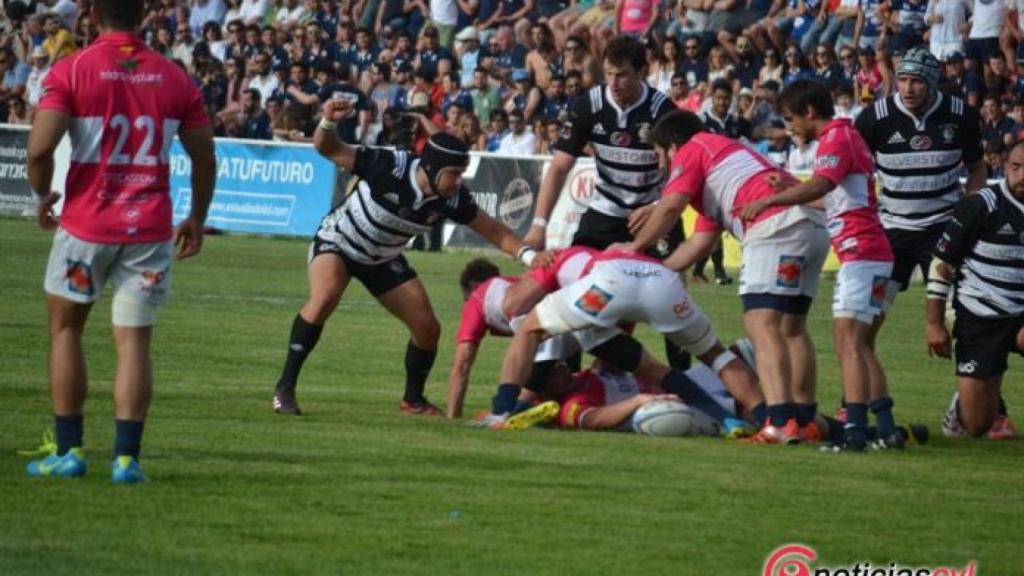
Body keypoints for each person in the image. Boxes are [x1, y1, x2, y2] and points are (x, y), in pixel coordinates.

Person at [23, 0, 216, 483]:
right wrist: (196, 217)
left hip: (87, 225)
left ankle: (70, 453)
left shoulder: (73, 69)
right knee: (134, 343)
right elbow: (204, 156)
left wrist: (43, 193)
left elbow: (40, 148)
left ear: (91, 15)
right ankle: (127, 459)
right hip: (149, 230)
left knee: (66, 331)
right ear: (143, 15)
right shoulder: (174, 77)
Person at [271, 99, 550, 416]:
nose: (459, 181)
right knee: (325, 297)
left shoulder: (452, 198)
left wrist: (529, 256)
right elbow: (328, 149)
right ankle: (285, 389)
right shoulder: (389, 165)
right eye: (454, 174)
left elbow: (494, 230)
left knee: (427, 328)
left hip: (381, 257)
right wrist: (328, 123)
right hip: (340, 242)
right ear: (432, 168)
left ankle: (413, 400)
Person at [624, 109, 831, 444]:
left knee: (761, 325)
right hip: (810, 228)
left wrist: (635, 248)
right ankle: (804, 418)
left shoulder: (694, 147)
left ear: (672, 147)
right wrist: (654, 272)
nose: (659, 161)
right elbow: (700, 242)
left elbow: (670, 207)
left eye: (659, 152)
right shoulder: (721, 164)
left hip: (774, 227)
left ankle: (778, 421)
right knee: (791, 328)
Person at [740, 79, 901, 451]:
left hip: (863, 252)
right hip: (869, 252)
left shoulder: (836, 138)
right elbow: (830, 201)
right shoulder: (843, 138)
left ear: (809, 112)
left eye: (791, 118)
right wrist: (789, 186)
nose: (789, 127)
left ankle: (857, 432)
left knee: (849, 343)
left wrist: (771, 200)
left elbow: (819, 187)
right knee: (859, 344)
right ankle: (887, 426)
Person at [521, 36, 691, 370]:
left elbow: (682, 176)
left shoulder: (661, 111)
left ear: (642, 72)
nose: (614, 83)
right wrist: (538, 226)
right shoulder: (589, 104)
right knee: (571, 290)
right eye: (609, 74)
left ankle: (686, 382)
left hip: (653, 214)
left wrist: (658, 209)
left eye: (622, 75)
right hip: (604, 211)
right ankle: (566, 377)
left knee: (674, 298)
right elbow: (558, 166)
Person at [480, 246, 766, 435]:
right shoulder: (593, 257)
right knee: (715, 356)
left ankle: (501, 410)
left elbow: (516, 307)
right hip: (663, 282)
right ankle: (760, 421)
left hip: (607, 287)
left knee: (530, 329)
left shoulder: (553, 260)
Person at [853, 47, 986, 424]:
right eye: (902, 80)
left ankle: (969, 405)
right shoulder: (873, 118)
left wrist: (968, 215)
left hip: (944, 229)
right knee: (866, 319)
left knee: (964, 321)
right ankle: (858, 402)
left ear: (931, 82)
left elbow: (976, 168)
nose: (908, 88)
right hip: (892, 232)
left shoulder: (961, 115)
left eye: (916, 81)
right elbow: (856, 173)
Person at [925, 141, 1024, 439]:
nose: (1022, 175)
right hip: (980, 313)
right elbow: (941, 264)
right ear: (1005, 166)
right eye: (1016, 167)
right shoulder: (981, 205)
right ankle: (966, 404)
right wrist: (934, 324)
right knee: (977, 425)